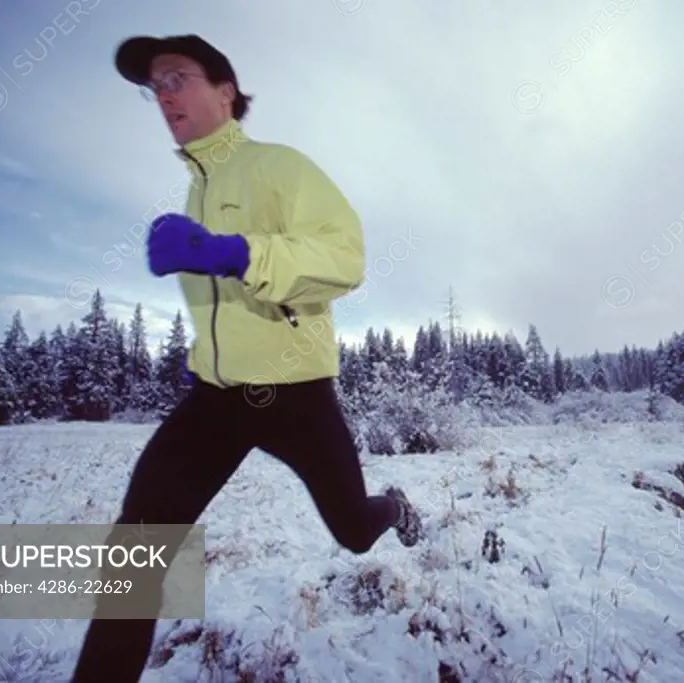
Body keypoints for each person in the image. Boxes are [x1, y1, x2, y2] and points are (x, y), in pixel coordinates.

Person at [69, 34, 422, 682]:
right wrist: (207, 351)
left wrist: (236, 252)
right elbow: (218, 310)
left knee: (351, 527)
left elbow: (343, 258)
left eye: (176, 76)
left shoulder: (280, 167)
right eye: (154, 86)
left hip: (295, 395)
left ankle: (394, 507)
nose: (163, 94)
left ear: (225, 90)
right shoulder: (194, 194)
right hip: (218, 399)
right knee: (137, 544)